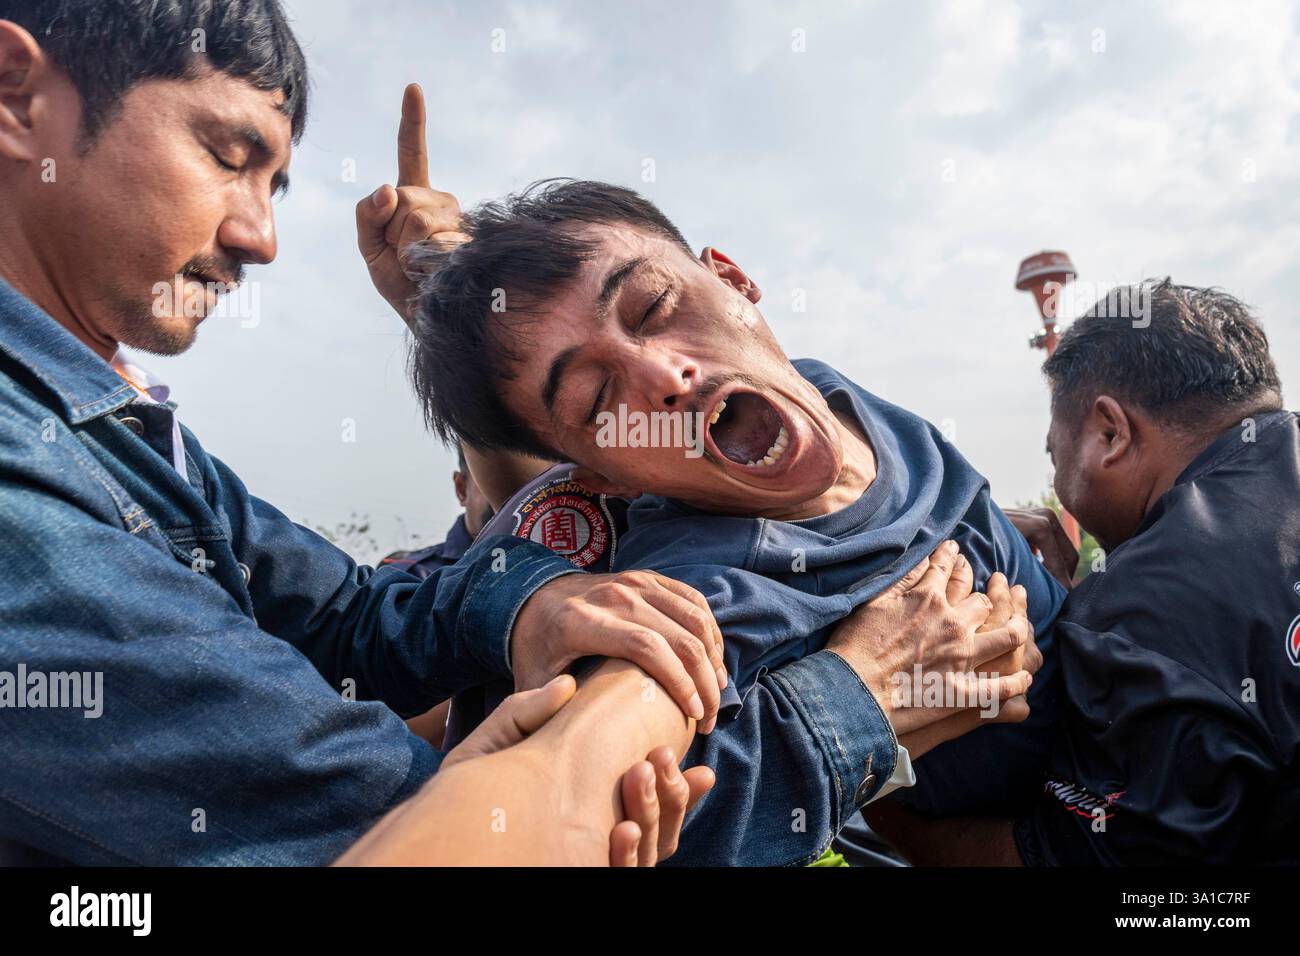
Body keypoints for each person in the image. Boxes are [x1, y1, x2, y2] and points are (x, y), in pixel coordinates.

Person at [0, 0, 732, 865]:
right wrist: (859, 701)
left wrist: (525, 604)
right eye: (227, 157)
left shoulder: (134, 436)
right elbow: (399, 825)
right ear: (17, 95)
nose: (259, 237)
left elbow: (346, 616)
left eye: (273, 189)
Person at [403, 178, 1055, 865]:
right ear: (608, 481)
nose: (664, 376)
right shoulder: (697, 598)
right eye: (598, 399)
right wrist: (863, 721)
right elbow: (593, 814)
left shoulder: (832, 391)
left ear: (735, 280)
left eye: (653, 306)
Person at [867, 280, 1300, 865]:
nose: (1060, 486)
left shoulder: (1140, 608)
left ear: (1111, 433)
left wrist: (871, 792)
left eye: (1054, 453)